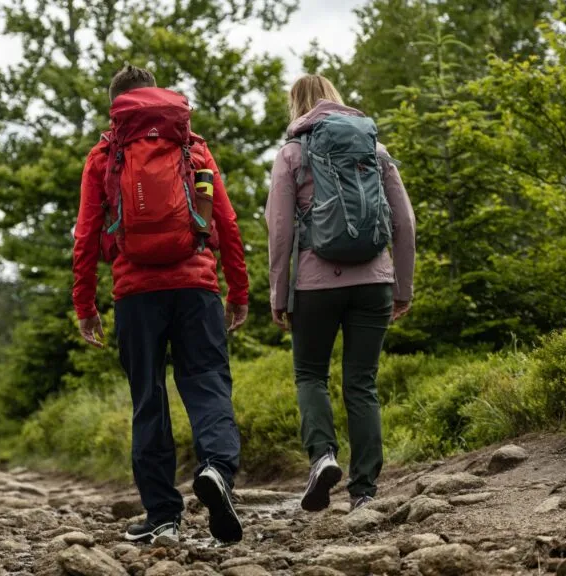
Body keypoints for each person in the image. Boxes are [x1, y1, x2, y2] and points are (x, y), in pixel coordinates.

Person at [71, 65, 250, 544]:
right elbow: (227, 224)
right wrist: (239, 290)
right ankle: (217, 470)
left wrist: (85, 304)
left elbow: (86, 234)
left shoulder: (105, 154)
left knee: (148, 399)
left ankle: (163, 515)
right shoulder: (193, 147)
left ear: (115, 105)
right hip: (197, 286)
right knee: (208, 382)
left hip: (135, 294)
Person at [265, 74, 416, 514]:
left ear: (298, 106)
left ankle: (323, 457)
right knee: (362, 384)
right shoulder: (376, 150)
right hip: (374, 282)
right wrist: (401, 286)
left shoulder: (292, 153)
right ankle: (364, 490)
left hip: (315, 284)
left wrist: (279, 293)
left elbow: (279, 229)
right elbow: (404, 222)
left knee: (311, 375)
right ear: (337, 101)